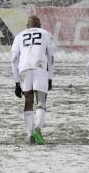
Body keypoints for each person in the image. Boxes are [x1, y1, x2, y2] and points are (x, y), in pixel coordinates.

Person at [11, 15, 56, 145]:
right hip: (40, 67)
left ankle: (30, 134)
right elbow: (51, 57)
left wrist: (16, 82)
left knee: (28, 101)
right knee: (41, 101)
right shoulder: (46, 34)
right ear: (40, 25)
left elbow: (14, 59)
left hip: (24, 69)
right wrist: (50, 77)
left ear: (27, 26)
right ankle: (37, 128)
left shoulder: (19, 36)